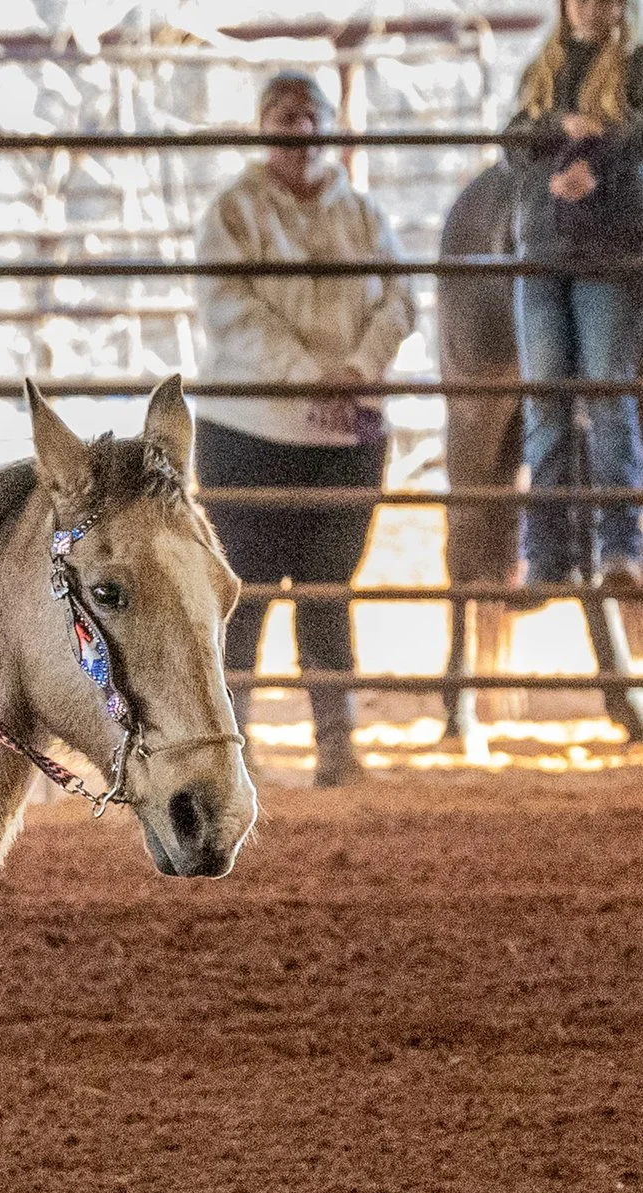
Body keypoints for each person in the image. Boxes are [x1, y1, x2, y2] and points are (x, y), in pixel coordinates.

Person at [193, 69, 415, 787]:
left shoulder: (364, 215)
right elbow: (232, 309)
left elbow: (398, 300)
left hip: (343, 427)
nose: (300, 130)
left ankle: (334, 741)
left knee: (328, 586)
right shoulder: (233, 211)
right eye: (285, 116)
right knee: (246, 590)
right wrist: (309, 373)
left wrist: (358, 367)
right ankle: (234, 747)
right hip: (252, 426)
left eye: (311, 115)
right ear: (264, 126)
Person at [506, 0, 643, 593]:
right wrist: (555, 134)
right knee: (546, 403)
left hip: (606, 254)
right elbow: (512, 143)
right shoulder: (539, 70)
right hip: (542, 250)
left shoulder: (636, 70)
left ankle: (619, 548)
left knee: (606, 396)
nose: (592, 6)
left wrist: (601, 164)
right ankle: (547, 554)